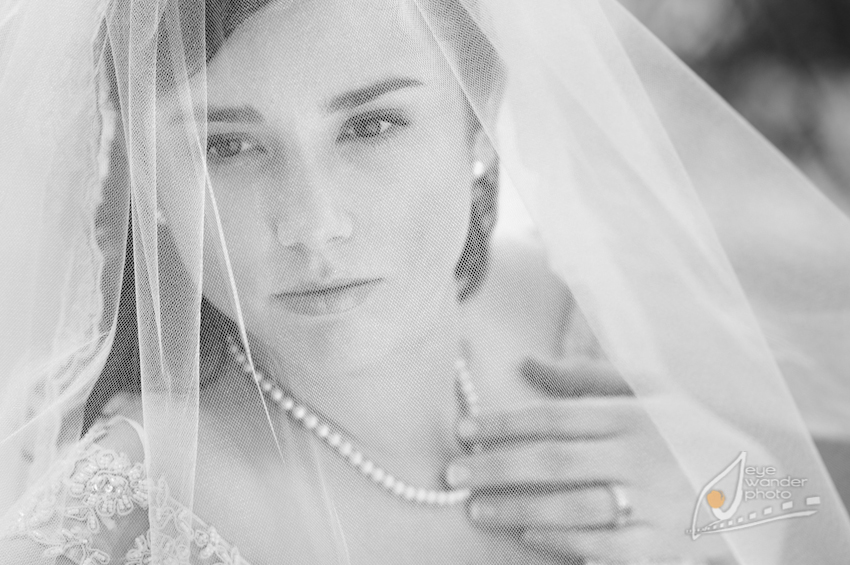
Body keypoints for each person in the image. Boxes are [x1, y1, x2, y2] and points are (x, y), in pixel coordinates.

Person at [1, 0, 848, 564]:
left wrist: (728, 497)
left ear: (479, 123)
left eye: (371, 125)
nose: (312, 223)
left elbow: (811, 522)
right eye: (226, 144)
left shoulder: (576, 312)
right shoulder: (124, 517)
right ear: (148, 176)